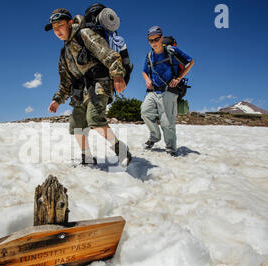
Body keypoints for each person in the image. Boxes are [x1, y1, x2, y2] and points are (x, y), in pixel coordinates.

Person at [45, 8, 132, 166]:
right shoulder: (64, 52)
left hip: (99, 83)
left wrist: (118, 74)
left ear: (70, 23)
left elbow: (105, 53)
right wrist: (57, 100)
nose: (57, 30)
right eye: (54, 28)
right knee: (77, 125)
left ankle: (121, 150)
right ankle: (87, 158)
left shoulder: (84, 34)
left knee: (94, 119)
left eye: (60, 25)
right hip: (79, 90)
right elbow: (66, 81)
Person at [141, 26, 194, 156]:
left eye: (156, 39)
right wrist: (147, 80)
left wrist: (178, 78)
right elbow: (144, 71)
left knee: (167, 122)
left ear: (162, 38)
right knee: (145, 112)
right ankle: (155, 136)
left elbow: (190, 62)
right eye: (151, 40)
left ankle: (171, 149)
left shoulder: (171, 51)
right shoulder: (149, 56)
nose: (154, 42)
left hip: (169, 91)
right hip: (153, 91)